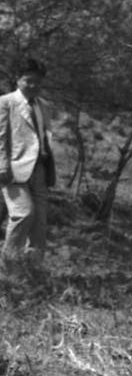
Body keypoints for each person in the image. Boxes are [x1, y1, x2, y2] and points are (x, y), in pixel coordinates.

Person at [0, 57, 56, 264]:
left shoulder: (44, 105)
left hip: (39, 169)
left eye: (38, 82)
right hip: (13, 169)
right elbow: (1, 136)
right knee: (23, 213)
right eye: (28, 80)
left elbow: (44, 136)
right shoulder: (6, 103)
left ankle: (33, 268)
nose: (33, 86)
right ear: (18, 79)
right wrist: (3, 165)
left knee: (40, 222)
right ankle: (9, 264)